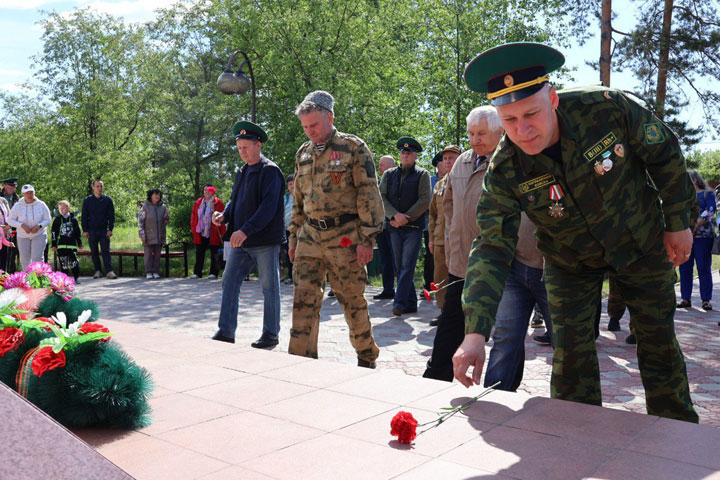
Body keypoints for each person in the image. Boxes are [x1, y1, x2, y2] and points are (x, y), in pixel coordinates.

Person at [453, 42, 698, 423]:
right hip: (569, 260)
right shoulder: (505, 168)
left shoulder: (605, 108)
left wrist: (678, 222)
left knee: (658, 345)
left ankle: (677, 436)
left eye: (531, 113)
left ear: (551, 98)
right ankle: (576, 442)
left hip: (640, 244)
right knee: (570, 358)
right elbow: (490, 245)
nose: (523, 130)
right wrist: (475, 333)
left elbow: (664, 153)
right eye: (510, 120)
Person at [288, 90, 383, 368]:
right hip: (309, 235)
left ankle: (366, 356)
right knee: (303, 300)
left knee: (351, 299)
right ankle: (301, 361)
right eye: (305, 127)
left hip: (345, 236)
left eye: (314, 125)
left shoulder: (353, 148)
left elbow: (368, 193)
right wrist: (293, 236)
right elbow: (299, 201)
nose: (309, 132)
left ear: (329, 118)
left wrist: (367, 239)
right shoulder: (303, 154)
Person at [423, 106, 499, 380]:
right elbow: (449, 208)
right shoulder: (463, 161)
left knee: (504, 332)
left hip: (497, 262)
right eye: (471, 133)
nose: (475, 139)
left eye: (482, 133)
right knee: (450, 322)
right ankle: (435, 376)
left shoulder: (510, 160)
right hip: (460, 261)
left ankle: (500, 387)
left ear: (500, 131)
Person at [211, 121, 285, 348]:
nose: (242, 152)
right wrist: (224, 215)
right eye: (239, 148)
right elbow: (236, 200)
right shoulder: (242, 171)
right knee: (229, 282)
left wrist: (246, 230)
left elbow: (268, 207)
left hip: (263, 241)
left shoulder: (270, 171)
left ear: (258, 145)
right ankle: (225, 331)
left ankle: (271, 333)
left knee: (269, 287)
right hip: (239, 239)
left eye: (246, 147)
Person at [379, 137, 432, 316]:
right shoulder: (389, 174)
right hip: (393, 225)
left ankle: (399, 302)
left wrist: (405, 218)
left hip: (413, 227)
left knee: (407, 265)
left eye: (409, 153)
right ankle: (411, 303)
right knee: (399, 265)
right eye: (403, 152)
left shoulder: (422, 174)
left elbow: (425, 199)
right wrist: (394, 215)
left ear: (415, 155)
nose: (405, 155)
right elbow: (382, 197)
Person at [428, 145, 462, 325]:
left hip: (460, 239)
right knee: (440, 277)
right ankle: (444, 312)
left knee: (461, 277)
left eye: (452, 157)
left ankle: (463, 313)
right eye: (445, 158)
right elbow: (432, 214)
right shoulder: (440, 183)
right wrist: (432, 239)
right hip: (441, 239)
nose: (448, 161)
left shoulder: (466, 180)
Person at [677, 170, 715, 311]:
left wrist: (694, 225)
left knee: (703, 268)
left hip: (703, 238)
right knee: (685, 267)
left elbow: (711, 211)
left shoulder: (707, 194)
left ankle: (706, 300)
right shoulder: (683, 197)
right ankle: (685, 298)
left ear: (693, 180)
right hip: (685, 237)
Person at [7, 185, 51, 271]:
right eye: (27, 193)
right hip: (22, 236)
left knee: (37, 258)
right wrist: (21, 225)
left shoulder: (41, 204)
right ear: (23, 194)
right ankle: (27, 281)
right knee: (25, 259)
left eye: (31, 193)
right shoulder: (17, 205)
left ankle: (38, 280)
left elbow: (48, 219)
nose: (29, 195)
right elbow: (10, 220)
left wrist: (39, 226)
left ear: (34, 193)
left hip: (39, 234)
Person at [81, 179, 117, 279]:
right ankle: (98, 271)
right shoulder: (87, 200)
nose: (99, 188)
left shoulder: (107, 200)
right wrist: (85, 230)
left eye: (101, 186)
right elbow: (84, 216)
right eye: (97, 186)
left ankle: (109, 271)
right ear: (93, 187)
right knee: (94, 252)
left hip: (104, 230)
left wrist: (110, 229)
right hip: (91, 230)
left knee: (106, 251)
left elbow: (111, 216)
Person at [373, 155, 397, 300]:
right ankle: (388, 289)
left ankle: (402, 290)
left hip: (394, 225)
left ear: (389, 166)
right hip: (381, 226)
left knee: (397, 259)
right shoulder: (378, 182)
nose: (379, 167)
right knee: (385, 259)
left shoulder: (397, 181)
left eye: (381, 165)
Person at [190, 185, 226, 279]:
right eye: (205, 190)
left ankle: (213, 273)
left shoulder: (218, 203)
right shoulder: (198, 203)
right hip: (200, 231)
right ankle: (197, 272)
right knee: (199, 253)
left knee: (214, 252)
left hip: (213, 230)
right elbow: (194, 217)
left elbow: (223, 219)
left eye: (209, 190)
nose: (206, 191)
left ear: (213, 191)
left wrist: (223, 234)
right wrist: (194, 229)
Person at [138, 189, 170, 280]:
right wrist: (142, 234)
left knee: (157, 255)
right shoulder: (145, 207)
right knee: (148, 255)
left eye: (159, 195)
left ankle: (156, 271)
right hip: (148, 235)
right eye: (156, 194)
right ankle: (148, 272)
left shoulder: (163, 207)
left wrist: (165, 219)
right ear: (150, 195)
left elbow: (166, 220)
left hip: (160, 235)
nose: (158, 196)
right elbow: (140, 222)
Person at [51, 200, 82, 282]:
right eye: (59, 209)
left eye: (63, 208)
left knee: (74, 262)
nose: (61, 210)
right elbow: (54, 232)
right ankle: (64, 279)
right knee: (63, 263)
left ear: (68, 208)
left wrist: (79, 243)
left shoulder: (73, 219)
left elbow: (77, 232)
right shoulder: (57, 219)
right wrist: (54, 244)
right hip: (61, 245)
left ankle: (76, 277)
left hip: (72, 245)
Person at [1, 178, 19, 272]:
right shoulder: (1, 196)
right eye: (11, 186)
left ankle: (11, 273)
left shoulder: (17, 198)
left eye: (14, 187)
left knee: (12, 250)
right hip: (1, 228)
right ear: (5, 185)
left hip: (13, 228)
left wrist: (10, 225)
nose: (12, 189)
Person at [281, 174, 295, 284]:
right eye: (290, 184)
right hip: (286, 229)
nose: (292, 186)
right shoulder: (285, 198)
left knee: (299, 252)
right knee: (289, 253)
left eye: (294, 183)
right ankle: (290, 276)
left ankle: (299, 277)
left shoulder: (302, 196)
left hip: (298, 229)